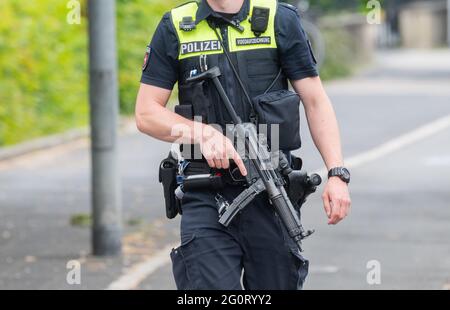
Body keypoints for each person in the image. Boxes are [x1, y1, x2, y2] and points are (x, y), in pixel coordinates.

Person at [135, 0, 351, 290]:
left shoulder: (279, 19)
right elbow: (146, 113)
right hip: (205, 192)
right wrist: (202, 134)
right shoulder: (176, 25)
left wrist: (336, 173)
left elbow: (315, 100)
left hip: (270, 192)